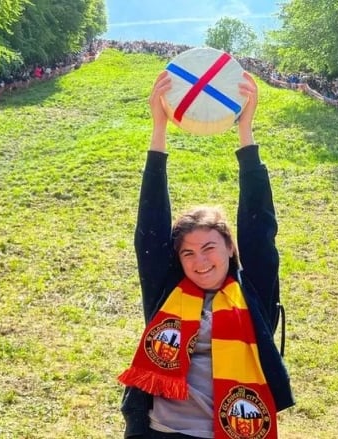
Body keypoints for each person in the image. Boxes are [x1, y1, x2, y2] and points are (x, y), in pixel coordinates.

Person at [118, 71, 294, 439]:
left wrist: (245, 131)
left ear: (230, 248)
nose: (200, 262)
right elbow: (149, 228)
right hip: (161, 431)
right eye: (188, 253)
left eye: (210, 248)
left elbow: (260, 229)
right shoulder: (168, 292)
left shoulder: (252, 293)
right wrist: (159, 129)